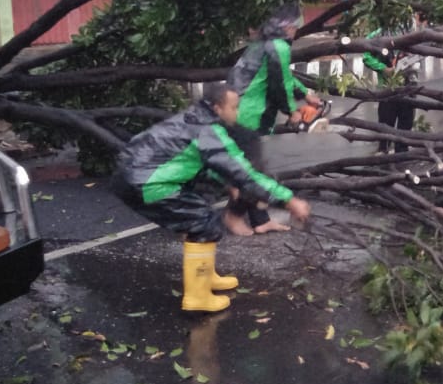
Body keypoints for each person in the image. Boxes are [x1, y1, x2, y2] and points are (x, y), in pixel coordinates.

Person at [111, 83, 311, 312]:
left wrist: (227, 182)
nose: (237, 113)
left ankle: (204, 276)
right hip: (144, 182)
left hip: (135, 176)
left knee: (202, 218)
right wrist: (289, 200)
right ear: (217, 108)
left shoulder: (193, 119)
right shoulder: (207, 131)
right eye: (234, 107)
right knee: (203, 224)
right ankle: (197, 298)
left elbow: (195, 160)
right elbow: (244, 172)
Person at [227, 1, 320, 232]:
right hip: (245, 115)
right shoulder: (278, 46)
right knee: (251, 170)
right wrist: (292, 111)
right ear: (288, 26)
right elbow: (279, 84)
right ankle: (231, 217)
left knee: (251, 167)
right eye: (296, 25)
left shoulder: (263, 44)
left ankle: (260, 220)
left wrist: (306, 94)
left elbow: (284, 77)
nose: (297, 30)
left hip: (235, 110)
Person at [362, 11, 429, 154]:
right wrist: (384, 69)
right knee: (386, 122)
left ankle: (402, 152)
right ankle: (383, 150)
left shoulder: (413, 33)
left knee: (406, 123)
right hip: (388, 86)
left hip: (409, 85)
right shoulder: (378, 34)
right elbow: (366, 56)